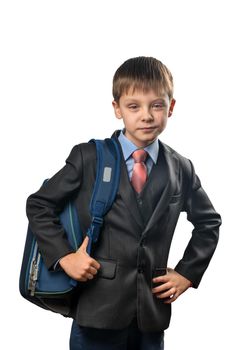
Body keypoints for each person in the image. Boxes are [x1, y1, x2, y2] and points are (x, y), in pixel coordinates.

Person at [26, 56, 221, 350]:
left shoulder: (181, 168)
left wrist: (187, 273)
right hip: (96, 310)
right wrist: (65, 256)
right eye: (134, 106)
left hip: (151, 315)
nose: (146, 115)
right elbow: (39, 205)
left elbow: (209, 223)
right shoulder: (89, 157)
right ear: (117, 109)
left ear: (171, 107)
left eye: (156, 105)